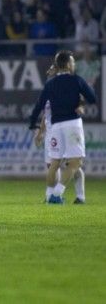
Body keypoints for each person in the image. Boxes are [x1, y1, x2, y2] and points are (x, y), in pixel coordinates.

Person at [29, 50, 96, 204]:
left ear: (56, 68)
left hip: (55, 128)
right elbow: (91, 97)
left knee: (56, 164)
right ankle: (55, 195)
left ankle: (74, 196)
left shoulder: (51, 85)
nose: (74, 64)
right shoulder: (74, 81)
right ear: (67, 64)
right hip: (69, 125)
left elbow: (41, 108)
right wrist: (81, 102)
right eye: (72, 62)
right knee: (75, 163)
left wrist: (36, 127)